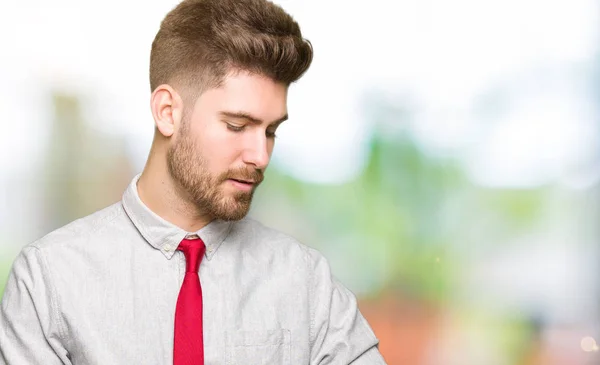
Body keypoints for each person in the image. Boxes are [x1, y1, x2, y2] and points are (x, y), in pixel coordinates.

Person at [0, 0, 386, 364]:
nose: (260, 155)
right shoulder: (48, 281)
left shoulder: (305, 282)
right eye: (237, 125)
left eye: (270, 131)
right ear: (167, 112)